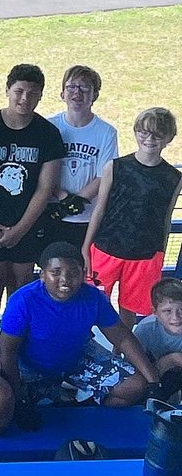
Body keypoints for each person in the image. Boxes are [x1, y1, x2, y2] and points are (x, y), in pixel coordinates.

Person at [0, 64, 65, 348]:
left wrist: (21, 229)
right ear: (7, 90)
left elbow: (46, 188)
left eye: (32, 94)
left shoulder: (47, 134)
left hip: (28, 223)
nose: (24, 98)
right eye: (19, 91)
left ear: (41, 96)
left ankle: (14, 347)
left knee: (21, 285)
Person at [0, 241, 158, 412]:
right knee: (13, 406)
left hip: (77, 357)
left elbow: (123, 337)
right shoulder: (22, 301)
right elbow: (7, 350)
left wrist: (154, 382)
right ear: (43, 275)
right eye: (56, 272)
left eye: (73, 273)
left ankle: (83, 406)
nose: (65, 280)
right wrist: (17, 398)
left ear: (83, 274)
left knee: (135, 387)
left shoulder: (93, 297)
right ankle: (58, 395)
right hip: (32, 365)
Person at [82, 107, 181, 325]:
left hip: (145, 255)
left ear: (168, 138)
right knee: (92, 302)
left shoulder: (174, 178)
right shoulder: (115, 167)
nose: (149, 139)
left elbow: (165, 217)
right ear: (136, 132)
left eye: (157, 134)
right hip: (106, 248)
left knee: (130, 309)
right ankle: (86, 348)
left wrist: (160, 252)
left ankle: (121, 354)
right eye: (144, 132)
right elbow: (100, 209)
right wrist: (86, 247)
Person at [46, 66, 119, 249]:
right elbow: (42, 169)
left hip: (88, 218)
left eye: (85, 88)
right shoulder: (49, 126)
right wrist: (62, 198)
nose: (77, 92)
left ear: (95, 95)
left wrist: (76, 201)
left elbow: (104, 175)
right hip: (52, 213)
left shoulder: (106, 132)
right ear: (62, 93)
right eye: (71, 87)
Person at [134, 278, 182, 402]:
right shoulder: (145, 330)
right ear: (155, 312)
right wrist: (171, 360)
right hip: (156, 372)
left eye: (181, 310)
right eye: (167, 311)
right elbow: (132, 367)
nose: (176, 317)